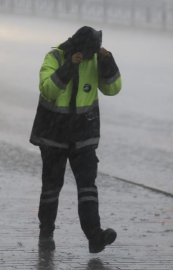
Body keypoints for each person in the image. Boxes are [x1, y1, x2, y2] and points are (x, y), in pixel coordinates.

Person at [30, 26, 122, 253]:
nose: (91, 56)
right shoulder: (54, 57)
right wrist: (69, 65)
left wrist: (107, 61)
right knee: (52, 187)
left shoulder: (94, 60)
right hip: (54, 136)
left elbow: (113, 88)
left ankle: (95, 236)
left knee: (88, 187)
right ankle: (46, 232)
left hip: (83, 137)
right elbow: (48, 90)